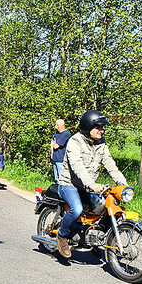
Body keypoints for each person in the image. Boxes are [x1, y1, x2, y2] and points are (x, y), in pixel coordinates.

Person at [55, 110, 127, 258]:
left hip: (87, 186)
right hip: (69, 185)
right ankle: (62, 236)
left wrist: (123, 184)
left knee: (108, 207)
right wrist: (92, 184)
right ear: (88, 127)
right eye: (98, 127)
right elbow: (77, 166)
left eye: (103, 127)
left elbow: (109, 163)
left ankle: (97, 239)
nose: (102, 130)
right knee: (76, 209)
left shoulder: (101, 143)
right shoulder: (75, 142)